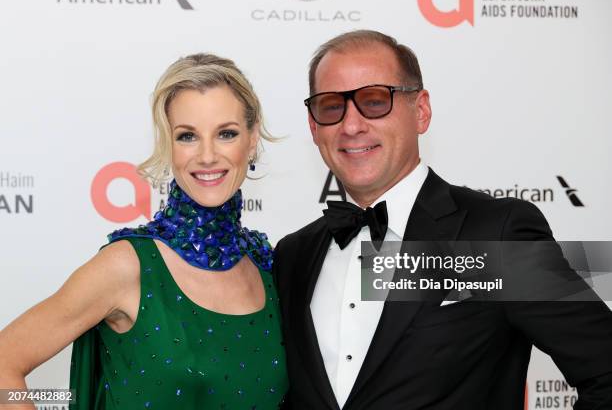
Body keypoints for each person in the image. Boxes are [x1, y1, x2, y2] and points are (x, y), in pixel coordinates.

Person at [273, 30, 612, 409]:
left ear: (420, 111)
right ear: (313, 126)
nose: (352, 125)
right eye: (332, 106)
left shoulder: (496, 234)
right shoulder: (293, 255)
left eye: (374, 101)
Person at [0, 53, 288, 409]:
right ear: (168, 144)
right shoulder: (127, 265)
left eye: (226, 133)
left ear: (252, 137)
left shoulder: (268, 265)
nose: (207, 155)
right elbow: (3, 365)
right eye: (187, 136)